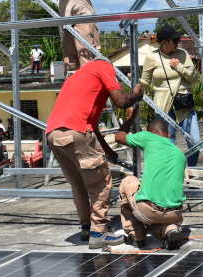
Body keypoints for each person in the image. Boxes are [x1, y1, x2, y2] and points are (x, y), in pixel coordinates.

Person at [45, 55, 144, 249]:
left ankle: (86, 227)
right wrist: (135, 96)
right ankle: (98, 232)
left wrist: (107, 150)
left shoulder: (78, 76)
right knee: (100, 181)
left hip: (53, 134)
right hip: (76, 131)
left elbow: (91, 124)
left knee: (78, 183)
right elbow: (121, 101)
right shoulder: (103, 67)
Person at [115, 106, 186, 250]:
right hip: (176, 213)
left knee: (128, 182)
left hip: (150, 210)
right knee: (160, 208)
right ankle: (169, 229)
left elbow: (119, 137)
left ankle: (137, 234)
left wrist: (131, 118)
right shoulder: (180, 154)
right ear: (168, 136)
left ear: (151, 133)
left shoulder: (148, 137)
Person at [140, 25, 200, 167]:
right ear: (164, 42)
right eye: (174, 40)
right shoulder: (152, 57)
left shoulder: (182, 54)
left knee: (195, 142)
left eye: (178, 39)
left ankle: (191, 172)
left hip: (184, 102)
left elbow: (194, 78)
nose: (178, 42)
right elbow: (145, 83)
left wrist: (179, 67)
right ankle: (174, 173)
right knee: (169, 143)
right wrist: (133, 84)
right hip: (163, 106)